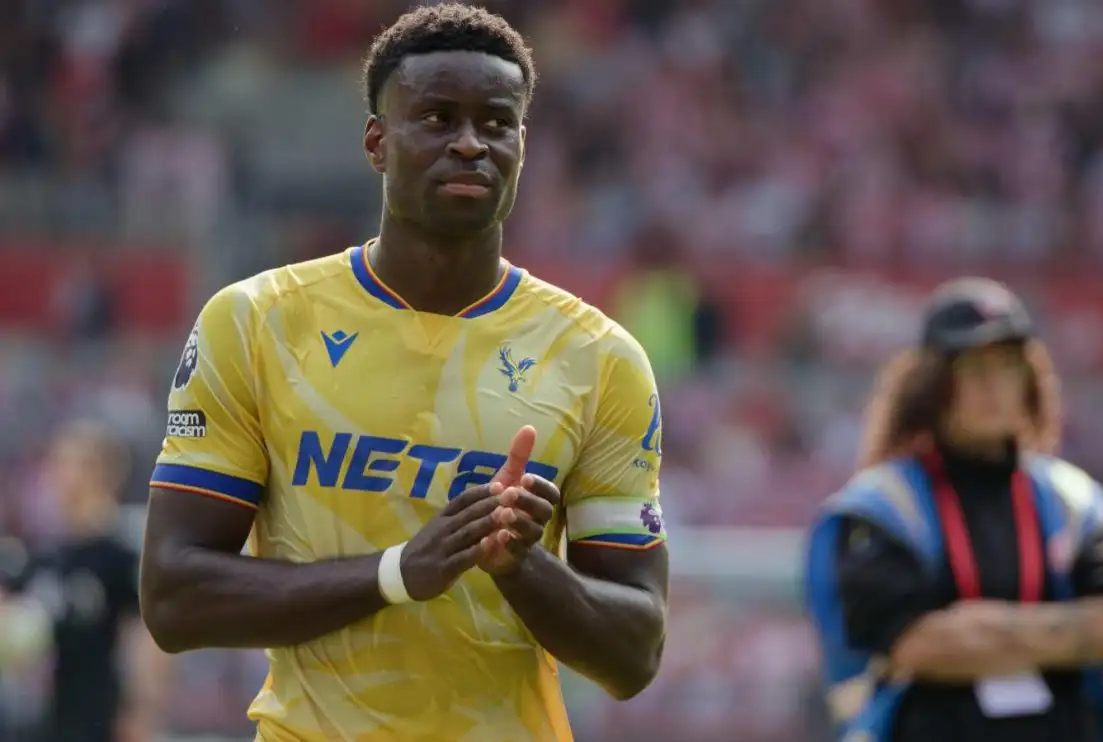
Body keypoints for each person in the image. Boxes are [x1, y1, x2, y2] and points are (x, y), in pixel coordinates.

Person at [138, 5, 668, 741]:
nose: (469, 144)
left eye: (495, 122)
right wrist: (395, 574)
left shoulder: (600, 359)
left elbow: (635, 653)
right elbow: (174, 598)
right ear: (377, 142)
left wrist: (523, 569)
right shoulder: (256, 323)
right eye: (437, 118)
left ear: (523, 142)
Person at [804, 278, 1103, 742]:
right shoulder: (882, 506)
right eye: (973, 369)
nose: (993, 386)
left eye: (1008, 366)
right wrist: (1065, 631)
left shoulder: (1072, 499)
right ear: (932, 385)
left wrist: (975, 628)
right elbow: (914, 643)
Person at [3, 420, 168, 742]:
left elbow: (147, 638)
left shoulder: (121, 554)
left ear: (100, 472)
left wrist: (140, 712)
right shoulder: (46, 556)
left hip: (103, 718)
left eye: (67, 463)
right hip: (49, 717)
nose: (56, 475)